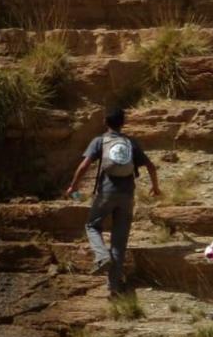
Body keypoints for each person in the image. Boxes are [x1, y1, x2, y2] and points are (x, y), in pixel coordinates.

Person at [64, 107, 160, 296]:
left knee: (92, 225)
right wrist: (155, 187)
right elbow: (151, 166)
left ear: (105, 123)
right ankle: (113, 287)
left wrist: (73, 186)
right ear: (123, 123)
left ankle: (101, 256)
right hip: (127, 196)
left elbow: (84, 166)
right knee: (119, 242)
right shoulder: (131, 142)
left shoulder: (100, 141)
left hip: (106, 194)